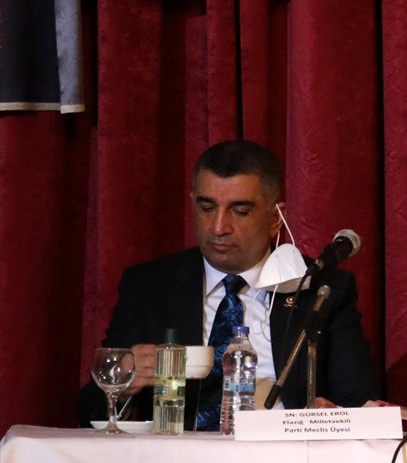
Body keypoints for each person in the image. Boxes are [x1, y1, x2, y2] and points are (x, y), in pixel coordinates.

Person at [76, 140, 377, 429]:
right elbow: (87, 411)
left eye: (240, 211)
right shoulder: (151, 287)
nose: (219, 227)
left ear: (275, 219)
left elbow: (358, 400)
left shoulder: (320, 289)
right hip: (176, 457)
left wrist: (333, 416)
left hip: (282, 457)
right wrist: (123, 379)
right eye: (207, 208)